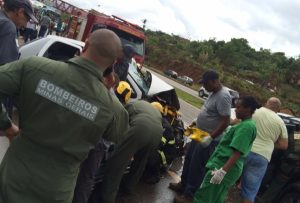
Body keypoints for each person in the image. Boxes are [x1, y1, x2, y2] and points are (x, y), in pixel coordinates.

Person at [0, 29, 129, 203]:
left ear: (86, 44)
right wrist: (106, 91)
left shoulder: (34, 67)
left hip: (12, 178)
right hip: (56, 192)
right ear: (113, 63)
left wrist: (7, 126)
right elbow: (117, 134)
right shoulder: (112, 108)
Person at [169, 69, 232, 203]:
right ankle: (183, 185)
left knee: (197, 168)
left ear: (215, 81)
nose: (204, 87)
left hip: (208, 137)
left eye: (206, 84)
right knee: (189, 160)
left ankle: (189, 196)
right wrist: (196, 121)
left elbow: (225, 120)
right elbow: (207, 111)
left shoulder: (223, 96)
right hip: (199, 133)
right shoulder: (213, 93)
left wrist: (211, 137)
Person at [72, 81, 132, 203]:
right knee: (87, 178)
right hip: (99, 145)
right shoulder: (120, 111)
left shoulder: (105, 95)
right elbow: (116, 137)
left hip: (83, 135)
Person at [94, 100, 164, 203]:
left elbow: (119, 124)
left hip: (141, 128)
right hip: (158, 134)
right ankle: (128, 187)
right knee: (140, 162)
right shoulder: (153, 110)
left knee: (118, 162)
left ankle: (107, 197)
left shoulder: (130, 105)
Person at [193, 96, 258, 203]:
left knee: (204, 198)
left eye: (238, 107)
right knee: (215, 198)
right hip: (224, 166)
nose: (235, 109)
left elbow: (237, 152)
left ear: (248, 109)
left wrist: (222, 172)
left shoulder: (247, 127)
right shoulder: (245, 124)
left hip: (223, 167)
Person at [240, 97, 288, 203]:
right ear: (278, 109)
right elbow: (284, 145)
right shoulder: (281, 122)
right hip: (262, 157)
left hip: (243, 150)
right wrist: (269, 144)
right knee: (249, 192)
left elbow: (238, 123)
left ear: (267, 103)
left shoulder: (255, 111)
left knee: (225, 178)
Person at [0, 0, 38, 65]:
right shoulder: (8, 26)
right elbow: (6, 66)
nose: (25, 24)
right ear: (20, 12)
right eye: (27, 19)